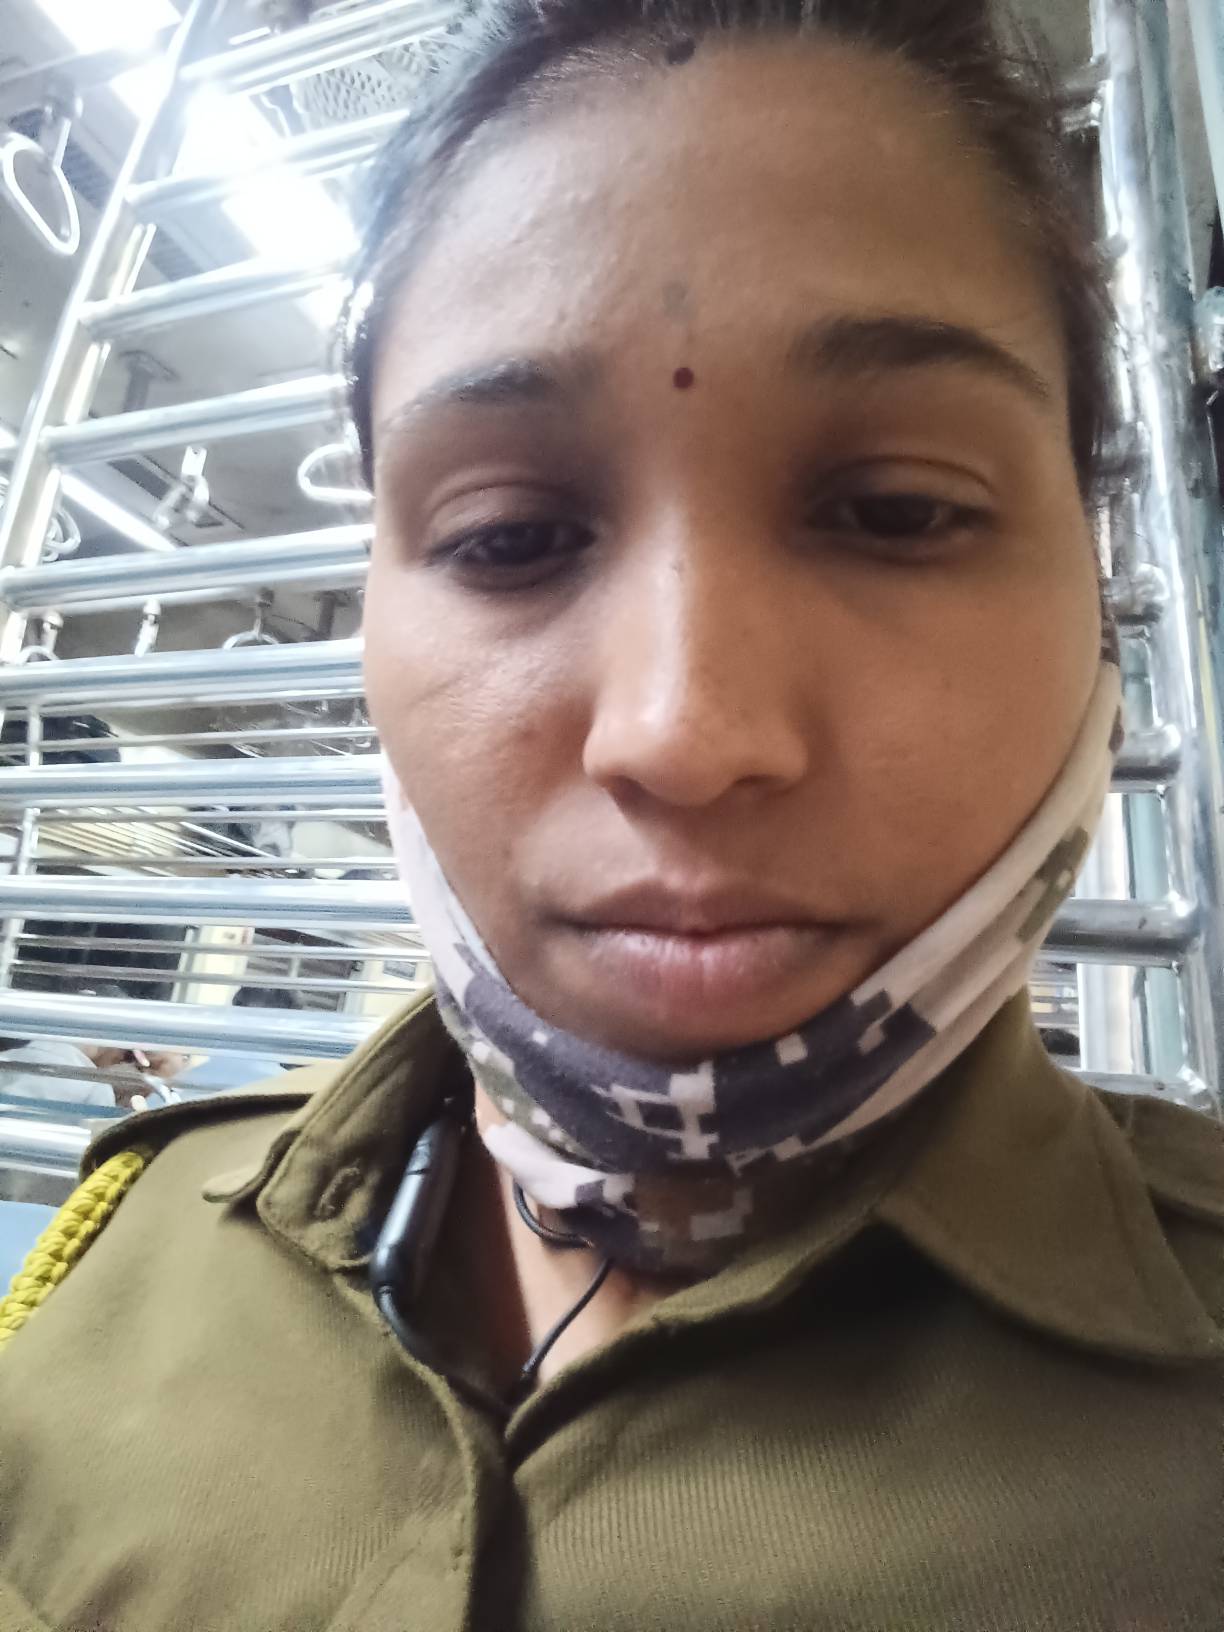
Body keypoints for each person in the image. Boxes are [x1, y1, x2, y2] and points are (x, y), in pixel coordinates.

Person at [1, 2, 1222, 1627]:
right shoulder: (115, 1263)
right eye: (508, 536)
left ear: (1099, 595)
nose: (684, 734)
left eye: (897, 511)